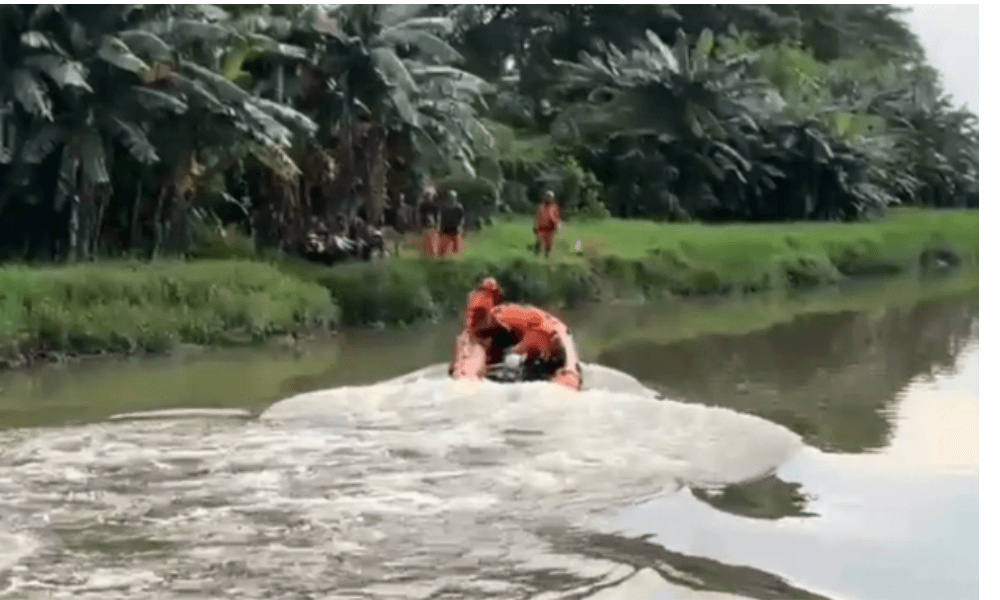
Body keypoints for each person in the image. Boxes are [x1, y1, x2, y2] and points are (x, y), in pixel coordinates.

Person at [450, 277, 582, 390]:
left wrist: (571, 368)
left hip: (547, 357)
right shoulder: (468, 340)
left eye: (479, 314)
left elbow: (561, 330)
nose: (473, 320)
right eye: (471, 314)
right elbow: (465, 374)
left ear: (491, 310)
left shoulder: (512, 316)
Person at [534, 190, 562, 258]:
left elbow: (556, 217)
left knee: (548, 243)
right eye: (547, 196)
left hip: (550, 227)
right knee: (539, 241)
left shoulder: (554, 207)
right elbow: (537, 216)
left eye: (549, 197)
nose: (548, 198)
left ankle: (547, 256)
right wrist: (535, 226)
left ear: (552, 198)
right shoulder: (541, 207)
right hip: (541, 227)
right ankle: (536, 255)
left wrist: (558, 226)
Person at [437, 190, 465, 257]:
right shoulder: (444, 207)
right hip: (445, 227)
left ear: (455, 197)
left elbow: (462, 217)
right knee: (443, 246)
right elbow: (440, 217)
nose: (451, 198)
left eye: (452, 197)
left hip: (454, 228)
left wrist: (460, 226)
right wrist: (439, 226)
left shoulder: (458, 207)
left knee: (455, 247)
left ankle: (454, 259)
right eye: (450, 197)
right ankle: (442, 258)